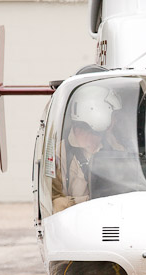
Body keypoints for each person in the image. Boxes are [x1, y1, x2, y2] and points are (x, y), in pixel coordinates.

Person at [51, 85, 124, 213]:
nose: (116, 120)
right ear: (97, 112)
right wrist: (91, 201)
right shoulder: (59, 154)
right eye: (113, 115)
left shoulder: (114, 146)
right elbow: (55, 204)